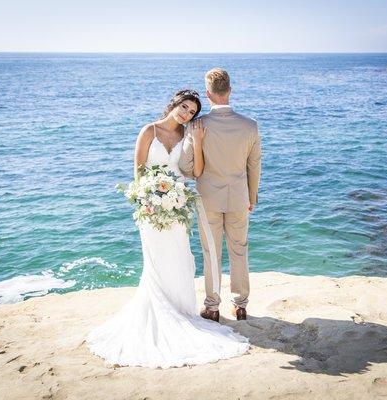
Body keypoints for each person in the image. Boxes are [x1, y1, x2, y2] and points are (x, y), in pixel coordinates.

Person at [86, 89, 249, 369]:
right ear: (173, 104)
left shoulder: (187, 136)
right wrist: (147, 200)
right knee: (156, 262)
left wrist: (197, 141)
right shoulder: (148, 130)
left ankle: (182, 313)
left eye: (191, 112)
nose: (186, 113)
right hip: (151, 210)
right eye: (184, 107)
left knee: (181, 259)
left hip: (177, 207)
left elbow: (195, 173)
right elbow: (138, 172)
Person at [179, 68, 262, 323]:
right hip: (239, 197)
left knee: (211, 252)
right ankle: (240, 306)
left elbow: (185, 166)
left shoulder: (197, 125)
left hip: (207, 198)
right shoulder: (250, 126)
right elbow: (254, 165)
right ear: (230, 91)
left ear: (208, 94)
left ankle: (212, 307)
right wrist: (253, 196)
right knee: (239, 251)